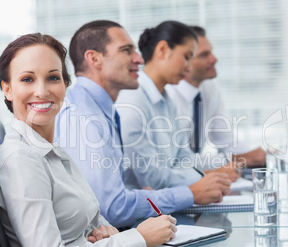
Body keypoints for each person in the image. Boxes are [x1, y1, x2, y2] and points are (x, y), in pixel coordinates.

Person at [0, 33, 177, 247]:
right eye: (27, 79)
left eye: (53, 78)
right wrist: (139, 237)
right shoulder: (21, 159)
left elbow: (85, 222)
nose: (42, 91)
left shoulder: (50, 150)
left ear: (65, 86)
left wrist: (103, 231)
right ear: (7, 89)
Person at [54, 20, 231, 230]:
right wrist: (190, 193)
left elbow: (119, 194)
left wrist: (151, 195)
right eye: (126, 50)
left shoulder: (101, 109)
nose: (138, 59)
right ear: (94, 59)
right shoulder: (85, 117)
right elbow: (113, 209)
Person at [116, 21, 241, 191]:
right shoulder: (133, 102)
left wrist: (208, 178)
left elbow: (183, 158)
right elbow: (152, 178)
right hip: (144, 211)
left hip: (166, 204)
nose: (189, 67)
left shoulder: (166, 101)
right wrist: (204, 179)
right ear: (163, 50)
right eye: (187, 56)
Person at [165, 26, 266, 168]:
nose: (214, 59)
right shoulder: (167, 96)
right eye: (204, 55)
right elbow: (177, 161)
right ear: (184, 60)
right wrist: (233, 160)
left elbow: (225, 140)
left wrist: (258, 155)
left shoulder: (210, 88)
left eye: (211, 52)